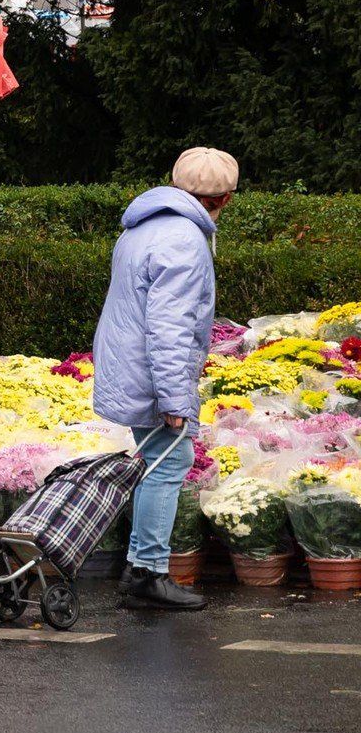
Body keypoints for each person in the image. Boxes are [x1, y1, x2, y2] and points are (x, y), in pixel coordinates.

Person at [92, 147, 238, 611]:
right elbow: (170, 326)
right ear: (226, 198)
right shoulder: (185, 240)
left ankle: (141, 568)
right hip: (153, 373)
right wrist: (177, 400)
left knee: (157, 463)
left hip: (131, 365)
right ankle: (148, 574)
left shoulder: (146, 226)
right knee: (169, 464)